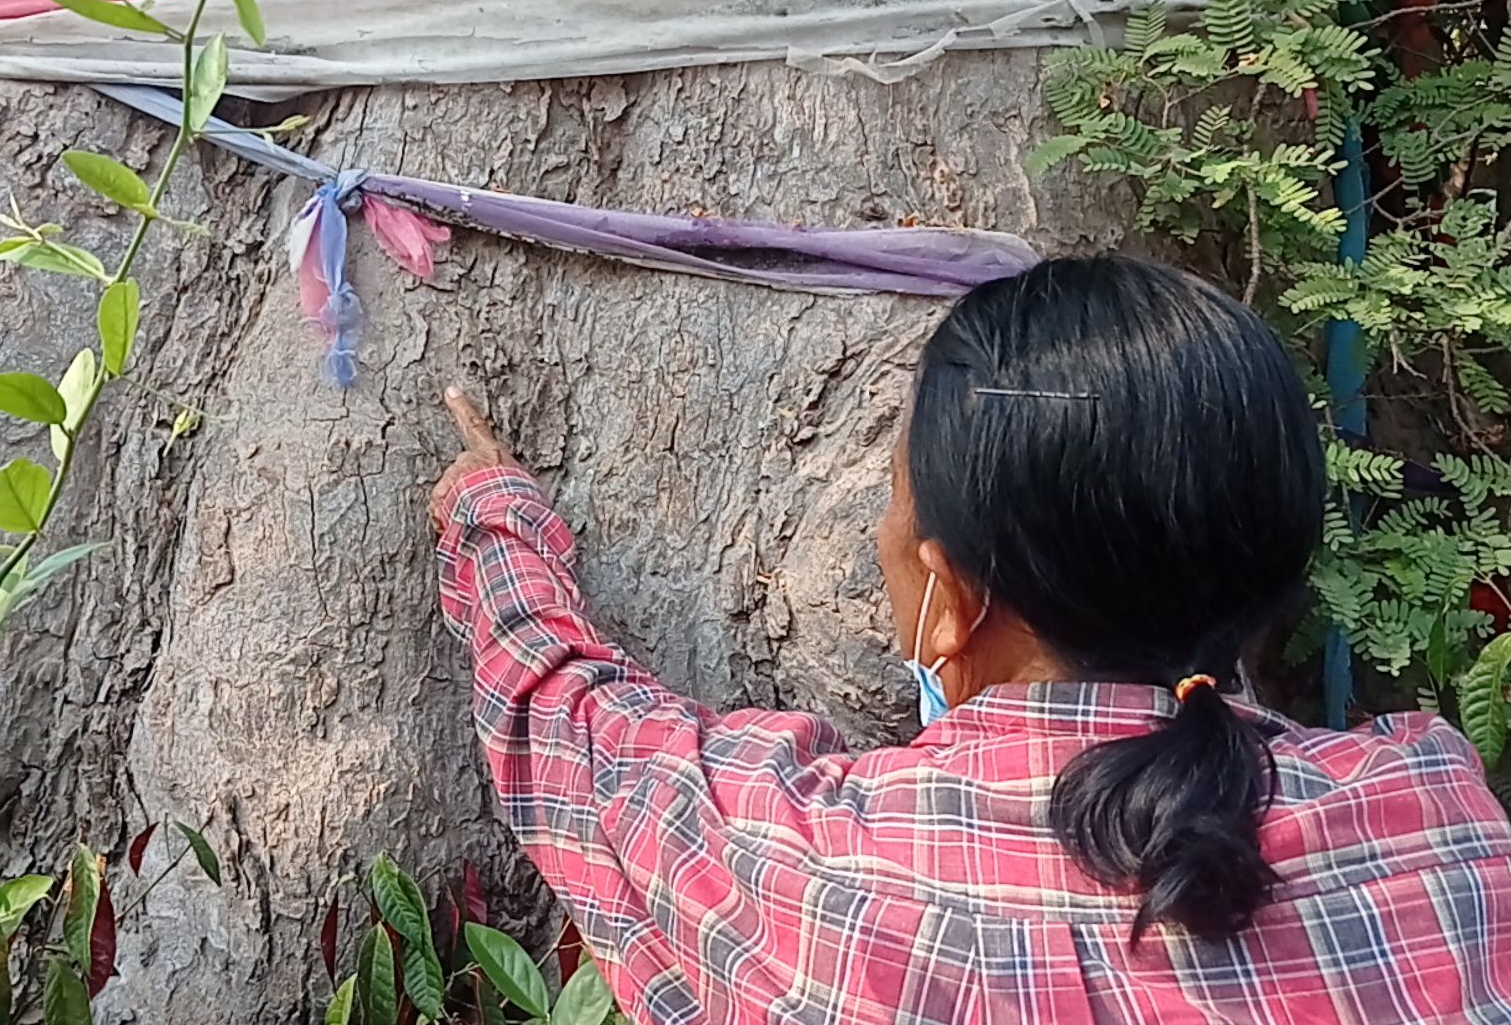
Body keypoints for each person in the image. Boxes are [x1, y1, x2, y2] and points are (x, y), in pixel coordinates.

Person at [431, 256, 1511, 1023]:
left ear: (947, 600)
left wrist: (494, 511)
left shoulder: (827, 878)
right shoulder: (1442, 829)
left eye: (894, 515)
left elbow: (569, 725)